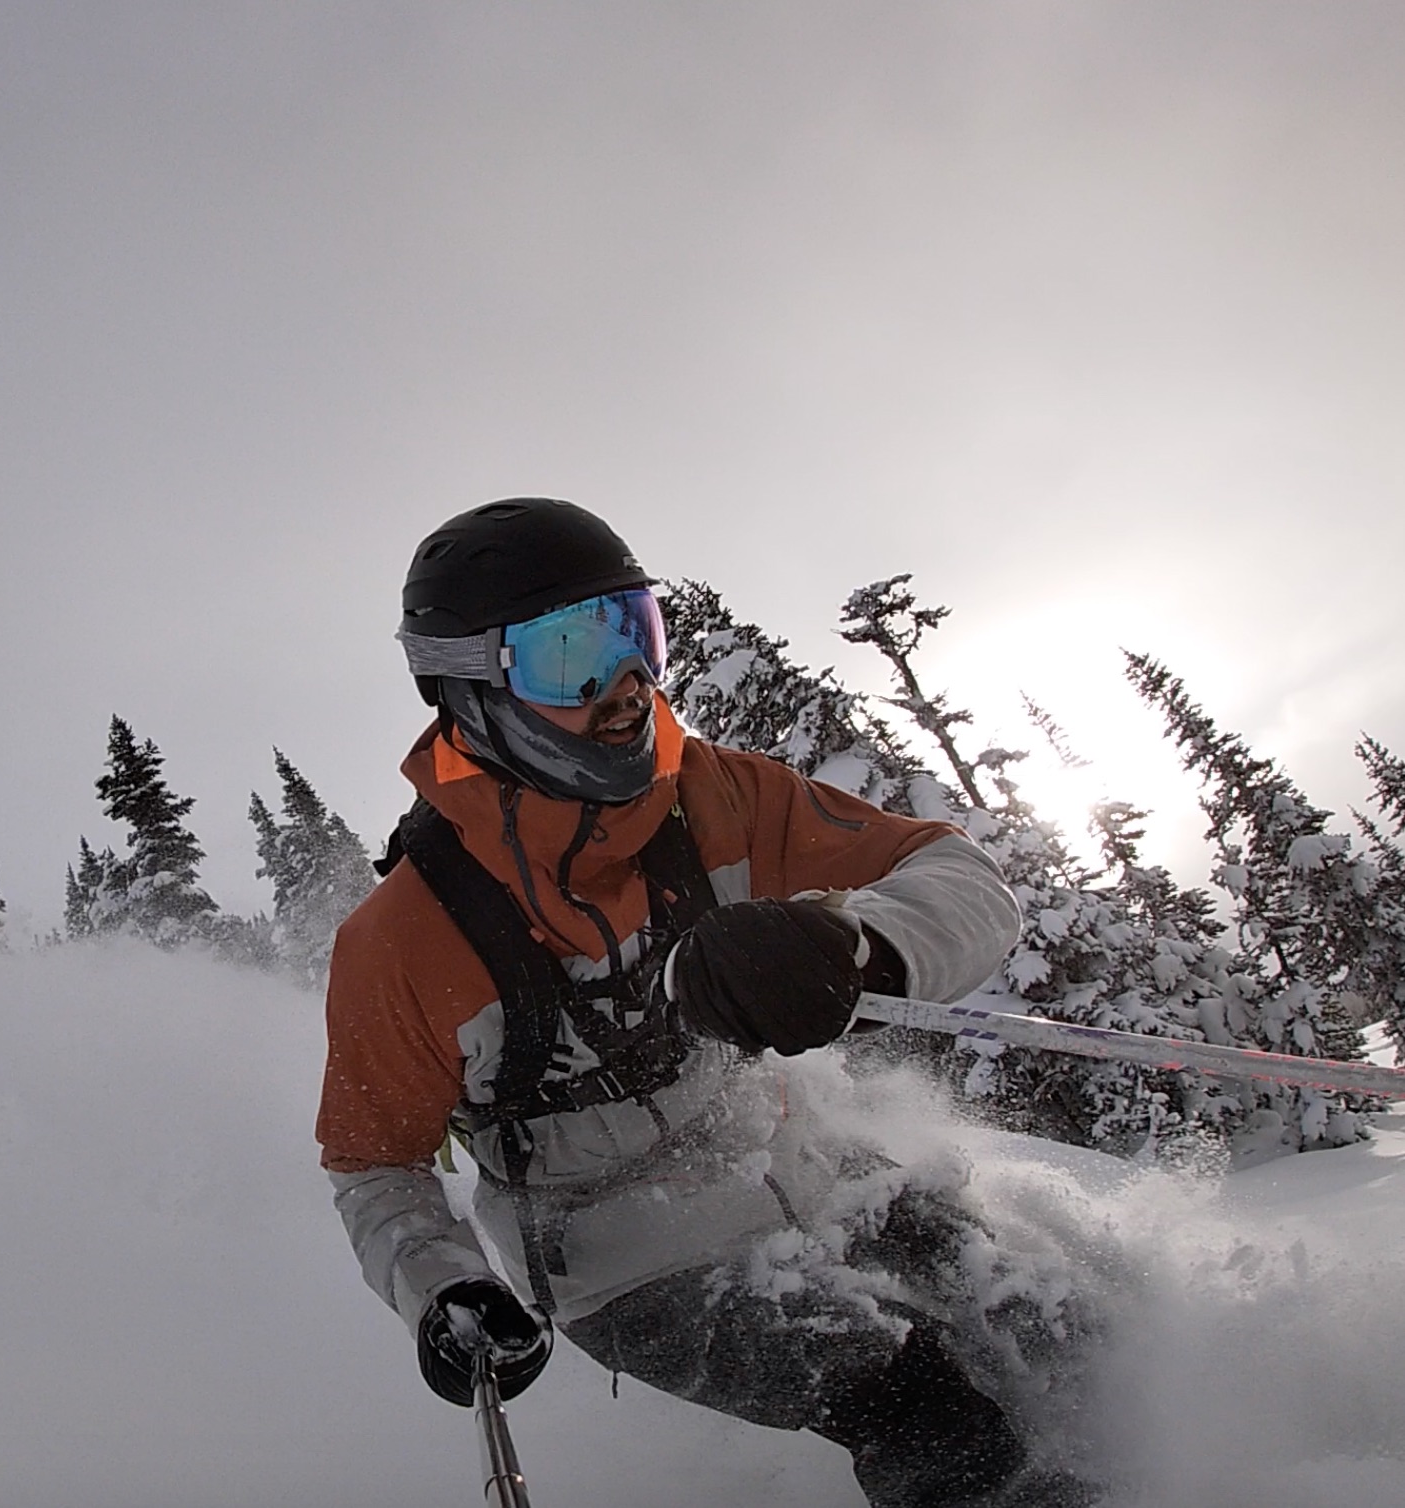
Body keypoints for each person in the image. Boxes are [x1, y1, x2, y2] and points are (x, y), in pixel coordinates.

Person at [316, 499, 1099, 1508]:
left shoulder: (711, 798)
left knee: (1045, 1310)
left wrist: (857, 946)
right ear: (470, 690)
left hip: (801, 1163)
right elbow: (375, 1160)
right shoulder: (405, 939)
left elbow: (960, 879)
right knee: (922, 1403)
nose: (624, 687)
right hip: (634, 1270)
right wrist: (443, 1282)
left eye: (634, 633)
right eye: (570, 655)